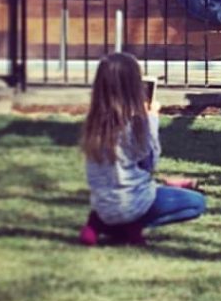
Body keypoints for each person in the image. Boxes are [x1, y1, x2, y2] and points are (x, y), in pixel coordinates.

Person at [79, 51, 205, 246]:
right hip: (134, 203)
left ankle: (99, 224)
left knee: (134, 188)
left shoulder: (94, 123)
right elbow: (149, 163)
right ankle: (129, 226)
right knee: (196, 204)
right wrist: (152, 119)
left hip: (103, 206)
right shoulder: (136, 122)